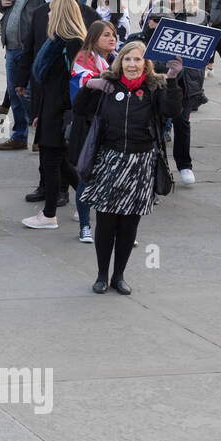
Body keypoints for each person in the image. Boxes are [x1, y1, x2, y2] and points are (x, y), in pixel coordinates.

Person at [75, 42, 184, 294]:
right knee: (105, 221)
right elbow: (80, 110)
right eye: (127, 60)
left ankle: (119, 276)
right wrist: (89, 86)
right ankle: (102, 275)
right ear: (120, 62)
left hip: (141, 162)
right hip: (109, 160)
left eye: (137, 60)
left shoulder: (155, 87)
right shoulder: (108, 84)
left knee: (128, 223)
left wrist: (173, 79)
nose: (132, 65)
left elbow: (172, 111)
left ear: (145, 63)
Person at [22, 0, 87, 229]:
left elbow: (73, 82)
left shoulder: (71, 43)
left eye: (51, 11)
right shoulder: (59, 41)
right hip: (51, 109)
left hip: (61, 112)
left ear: (60, 15)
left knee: (51, 162)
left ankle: (49, 215)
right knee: (59, 163)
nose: (48, 15)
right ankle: (86, 201)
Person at [139, 0, 202, 184]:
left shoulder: (197, 15)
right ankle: (155, 166)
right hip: (158, 74)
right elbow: (143, 44)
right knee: (155, 121)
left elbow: (203, 50)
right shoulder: (156, 11)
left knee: (181, 122)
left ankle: (185, 165)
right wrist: (151, 29)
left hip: (184, 80)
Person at [0, 0, 55, 150]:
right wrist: (1, 2)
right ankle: (19, 136)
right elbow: (2, 5)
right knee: (14, 92)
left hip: (31, 50)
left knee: (29, 92)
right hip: (11, 47)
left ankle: (41, 133)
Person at [68, 19, 119, 243]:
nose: (112, 39)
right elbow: (80, 93)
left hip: (113, 127)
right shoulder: (84, 58)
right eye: (106, 35)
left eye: (114, 35)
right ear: (94, 37)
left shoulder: (119, 59)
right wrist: (102, 80)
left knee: (115, 179)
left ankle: (115, 228)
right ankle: (85, 226)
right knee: (86, 178)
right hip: (89, 127)